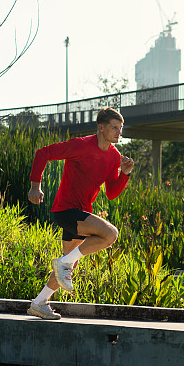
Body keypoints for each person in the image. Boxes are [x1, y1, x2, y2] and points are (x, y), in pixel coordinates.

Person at [26, 107, 134, 320]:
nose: (118, 132)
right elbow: (43, 153)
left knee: (69, 263)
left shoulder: (115, 156)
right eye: (114, 127)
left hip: (81, 212)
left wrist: (124, 174)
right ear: (101, 127)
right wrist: (35, 186)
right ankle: (63, 265)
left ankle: (39, 302)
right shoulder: (81, 145)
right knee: (111, 234)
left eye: (120, 128)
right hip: (66, 209)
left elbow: (111, 193)